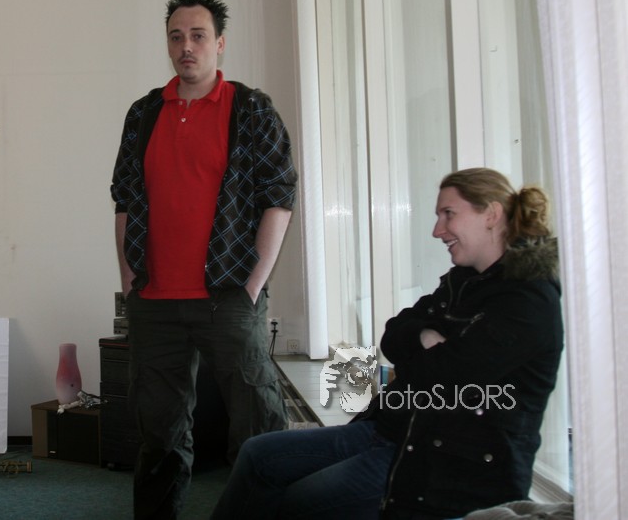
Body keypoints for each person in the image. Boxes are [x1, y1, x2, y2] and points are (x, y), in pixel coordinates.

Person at [210, 168, 564, 520]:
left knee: (301, 500)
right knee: (259, 455)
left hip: (445, 462)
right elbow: (393, 335)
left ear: (491, 214)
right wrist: (424, 338)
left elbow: (440, 377)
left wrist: (421, 350)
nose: (437, 230)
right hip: (394, 429)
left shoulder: (528, 302)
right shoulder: (462, 282)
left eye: (448, 214)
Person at [110, 0, 298, 518]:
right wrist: (129, 280)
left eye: (197, 36)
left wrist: (253, 284)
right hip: (155, 301)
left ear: (219, 43)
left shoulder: (251, 109)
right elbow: (124, 198)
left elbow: (279, 196)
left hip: (228, 296)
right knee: (159, 436)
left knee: (258, 426)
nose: (186, 46)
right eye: (176, 37)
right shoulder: (144, 112)